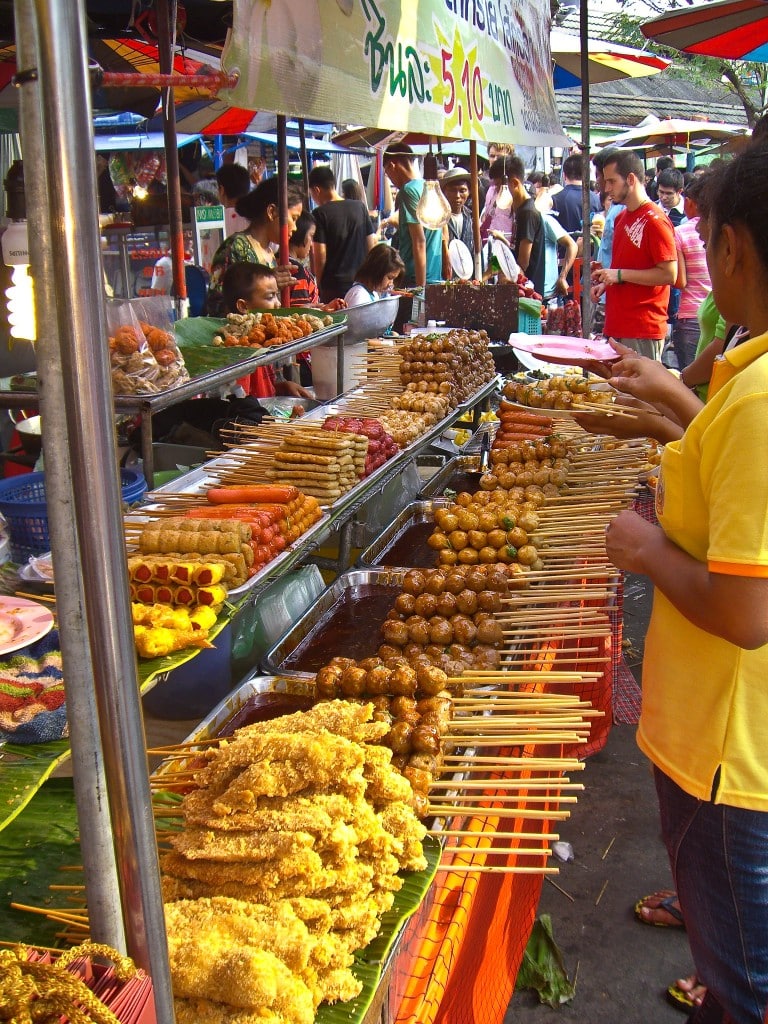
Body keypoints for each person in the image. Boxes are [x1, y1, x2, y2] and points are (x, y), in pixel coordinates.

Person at [587, 143, 768, 1024]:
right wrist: (677, 405)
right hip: (737, 740)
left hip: (728, 756)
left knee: (742, 988)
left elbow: (746, 610)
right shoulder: (749, 385)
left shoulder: (763, 398)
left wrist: (644, 549)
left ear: (733, 248)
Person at [591, 149, 677, 360]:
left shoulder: (655, 220)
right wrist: (607, 282)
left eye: (612, 181)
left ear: (630, 179)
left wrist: (619, 275)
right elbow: (629, 269)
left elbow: (669, 274)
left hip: (642, 328)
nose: (607, 188)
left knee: (639, 393)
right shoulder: (622, 218)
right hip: (620, 325)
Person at [207, 176, 305, 317]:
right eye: (294, 218)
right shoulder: (236, 247)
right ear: (271, 212)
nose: (295, 228)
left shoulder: (269, 253)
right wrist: (268, 285)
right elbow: (215, 304)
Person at [220, 262, 312, 400]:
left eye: (277, 295)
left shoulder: (262, 342)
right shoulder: (239, 351)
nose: (278, 303)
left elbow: (264, 388)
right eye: (270, 297)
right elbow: (243, 400)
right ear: (243, 306)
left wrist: (283, 386)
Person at [308, 164, 377, 302]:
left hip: (333, 286)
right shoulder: (360, 207)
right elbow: (372, 244)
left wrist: (319, 284)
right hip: (361, 284)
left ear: (316, 190)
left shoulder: (319, 214)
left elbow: (320, 255)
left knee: (339, 322)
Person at [382, 144, 443, 288]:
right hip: (434, 276)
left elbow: (419, 241)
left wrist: (419, 289)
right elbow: (444, 232)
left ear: (392, 165)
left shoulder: (407, 191)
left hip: (414, 278)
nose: (389, 178)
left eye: (386, 173)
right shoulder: (430, 188)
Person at [671, 174, 711, 370]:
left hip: (690, 317)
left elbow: (680, 281)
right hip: (713, 315)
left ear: (689, 202)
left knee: (690, 383)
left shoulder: (680, 232)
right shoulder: (716, 229)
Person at [499, 154, 545, 297]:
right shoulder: (521, 211)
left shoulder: (528, 213)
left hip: (528, 295)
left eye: (500, 189)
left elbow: (522, 262)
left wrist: (503, 278)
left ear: (514, 183)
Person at [287, 210, 346, 312]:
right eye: (311, 236)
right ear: (300, 234)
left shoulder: (280, 261)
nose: (311, 244)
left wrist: (324, 308)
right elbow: (301, 315)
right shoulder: (297, 271)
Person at [550, 152, 601, 236]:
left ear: (564, 175)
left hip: (564, 248)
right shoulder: (597, 199)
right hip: (592, 248)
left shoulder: (555, 199)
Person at [440, 167, 476, 277]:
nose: (457, 196)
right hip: (444, 278)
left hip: (466, 279)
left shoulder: (471, 218)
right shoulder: (438, 218)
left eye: (462, 190)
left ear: (469, 192)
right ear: (444, 192)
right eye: (452, 190)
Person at [480, 151, 516, 247]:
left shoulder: (515, 199)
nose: (495, 159)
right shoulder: (491, 190)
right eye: (492, 156)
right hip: (490, 247)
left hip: (506, 250)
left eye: (499, 156)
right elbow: (485, 216)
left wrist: (502, 238)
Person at [541, 213, 578, 302]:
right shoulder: (518, 220)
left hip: (548, 294)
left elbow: (572, 245)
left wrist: (562, 276)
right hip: (525, 292)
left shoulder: (545, 221)